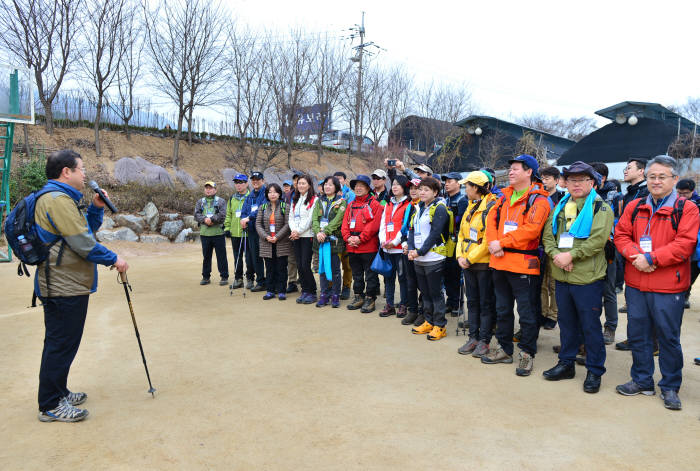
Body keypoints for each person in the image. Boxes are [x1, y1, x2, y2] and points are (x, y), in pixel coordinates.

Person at [34, 149, 129, 422]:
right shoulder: (57, 200)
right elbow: (84, 244)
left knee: (64, 342)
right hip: (62, 285)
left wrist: (97, 208)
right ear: (67, 172)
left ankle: (59, 391)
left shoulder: (62, 199)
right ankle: (50, 403)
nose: (85, 174)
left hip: (68, 283)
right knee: (60, 343)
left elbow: (84, 231)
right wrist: (114, 259)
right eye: (81, 169)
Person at [614, 155, 699, 410]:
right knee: (638, 334)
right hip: (637, 283)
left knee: (668, 338)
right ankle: (641, 380)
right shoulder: (635, 206)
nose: (656, 181)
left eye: (662, 176)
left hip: (668, 286)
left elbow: (685, 245)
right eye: (652, 176)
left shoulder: (687, 209)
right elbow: (620, 235)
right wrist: (636, 257)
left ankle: (670, 386)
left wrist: (651, 258)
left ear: (674, 179)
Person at [541, 162, 614, 393]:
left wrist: (571, 255)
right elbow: (548, 235)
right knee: (567, 323)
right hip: (562, 274)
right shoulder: (561, 206)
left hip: (587, 279)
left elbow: (597, 241)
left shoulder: (600, 208)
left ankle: (594, 370)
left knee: (590, 326)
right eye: (571, 180)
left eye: (581, 180)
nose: (576, 184)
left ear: (592, 183)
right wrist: (556, 256)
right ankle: (566, 363)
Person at [481, 155, 551, 376]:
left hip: (523, 264)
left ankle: (527, 354)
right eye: (509, 169)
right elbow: (490, 221)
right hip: (499, 261)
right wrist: (494, 244)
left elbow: (531, 230)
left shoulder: (539, 200)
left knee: (527, 313)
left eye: (515, 169)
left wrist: (500, 242)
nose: (510, 172)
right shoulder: (503, 197)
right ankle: (504, 349)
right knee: (502, 310)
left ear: (529, 172)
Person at [456, 171, 498, 357]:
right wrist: (460, 256)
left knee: (486, 303)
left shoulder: (491, 207)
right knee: (472, 302)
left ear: (476, 188)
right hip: (467, 263)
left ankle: (484, 340)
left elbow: (489, 239)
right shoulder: (470, 206)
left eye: (467, 186)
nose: (465, 188)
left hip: (482, 264)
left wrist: (469, 258)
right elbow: (461, 235)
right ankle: (473, 337)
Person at [408, 177, 451, 341]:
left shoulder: (439, 208)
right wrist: (412, 249)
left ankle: (440, 325)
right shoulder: (418, 207)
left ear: (435, 192)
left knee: (435, 293)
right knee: (425, 292)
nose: (422, 192)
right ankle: (428, 320)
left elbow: (435, 234)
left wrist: (419, 251)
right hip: (418, 258)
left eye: (427, 190)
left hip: (433, 257)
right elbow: (412, 229)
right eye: (421, 189)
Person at [616, 158, 650, 346]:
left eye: (629, 168)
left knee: (647, 301)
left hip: (645, 253)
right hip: (630, 250)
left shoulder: (645, 193)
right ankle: (636, 338)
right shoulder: (630, 193)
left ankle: (649, 342)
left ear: (641, 171)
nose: (625, 171)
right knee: (634, 298)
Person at [341, 175, 383, 313]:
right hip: (352, 246)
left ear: (367, 188)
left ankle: (370, 297)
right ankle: (358, 296)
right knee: (357, 273)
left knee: (370, 274)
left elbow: (374, 225)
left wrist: (360, 238)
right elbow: (344, 225)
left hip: (367, 246)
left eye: (361, 186)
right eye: (356, 186)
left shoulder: (374, 204)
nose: (358, 188)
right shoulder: (351, 205)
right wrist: (348, 238)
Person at [589, 162, 619, 345]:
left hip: (607, 250)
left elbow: (619, 222)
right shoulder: (582, 196)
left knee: (608, 290)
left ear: (603, 179)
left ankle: (610, 327)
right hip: (587, 252)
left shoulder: (614, 197)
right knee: (590, 292)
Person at [378, 175, 411, 317]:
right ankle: (390, 305)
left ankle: (403, 304)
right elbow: (383, 224)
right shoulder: (388, 204)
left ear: (405, 188)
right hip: (387, 247)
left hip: (399, 248)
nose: (395, 187)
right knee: (388, 278)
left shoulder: (408, 205)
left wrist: (395, 242)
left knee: (402, 278)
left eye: (398, 184)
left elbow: (404, 227)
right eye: (394, 184)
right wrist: (383, 240)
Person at [312, 176, 347, 308]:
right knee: (321, 268)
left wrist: (325, 232)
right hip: (320, 240)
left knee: (335, 269)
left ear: (336, 187)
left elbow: (338, 220)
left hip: (333, 241)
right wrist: (318, 232)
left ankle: (335, 295)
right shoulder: (319, 201)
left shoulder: (341, 202)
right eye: (325, 184)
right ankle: (324, 294)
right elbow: (314, 219)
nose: (327, 187)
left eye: (331, 185)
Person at [255, 183, 292, 300]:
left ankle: (281, 290)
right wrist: (266, 237)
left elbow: (287, 224)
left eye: (275, 192)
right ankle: (270, 290)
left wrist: (277, 236)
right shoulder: (263, 207)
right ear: (267, 194)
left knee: (281, 267)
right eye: (270, 192)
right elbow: (258, 224)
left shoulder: (285, 206)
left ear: (279, 193)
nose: (272, 194)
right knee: (269, 267)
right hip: (266, 242)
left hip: (282, 242)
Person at [538, 166, 564, 330]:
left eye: (548, 178)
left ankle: (554, 315)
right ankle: (542, 312)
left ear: (556, 180)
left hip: (557, 246)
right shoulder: (538, 197)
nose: (545, 181)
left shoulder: (562, 198)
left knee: (554, 283)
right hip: (540, 245)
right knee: (541, 283)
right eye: (543, 178)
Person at [442, 172, 469, 317]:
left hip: (457, 241)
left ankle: (458, 304)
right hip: (445, 241)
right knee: (446, 273)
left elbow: (462, 223)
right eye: (445, 181)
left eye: (450, 181)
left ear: (459, 183)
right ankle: (450, 301)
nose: (446, 183)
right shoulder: (445, 199)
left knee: (456, 274)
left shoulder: (462, 200)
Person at [289, 174, 318, 304]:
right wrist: (294, 231)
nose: (301, 186)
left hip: (307, 236)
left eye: (303, 183)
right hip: (296, 236)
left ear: (309, 185)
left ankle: (312, 291)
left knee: (306, 264)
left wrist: (298, 231)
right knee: (299, 265)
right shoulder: (295, 199)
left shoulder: (314, 200)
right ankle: (305, 290)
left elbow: (310, 219)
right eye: (299, 183)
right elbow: (291, 217)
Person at [194, 181, 229, 286]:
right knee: (206, 256)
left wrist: (212, 219)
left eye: (211, 188)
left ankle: (224, 276)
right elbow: (196, 214)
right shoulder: (200, 201)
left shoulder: (221, 201)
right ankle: (205, 276)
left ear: (215, 190)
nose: (208, 190)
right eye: (206, 188)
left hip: (218, 233)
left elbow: (223, 214)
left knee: (221, 256)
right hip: (205, 234)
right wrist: (205, 219)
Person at [401, 178, 423, 326]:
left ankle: (423, 312)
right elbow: (405, 228)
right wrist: (404, 243)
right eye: (411, 188)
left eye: (417, 187)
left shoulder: (425, 206)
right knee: (410, 282)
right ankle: (413, 310)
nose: (413, 190)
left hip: (422, 250)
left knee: (423, 284)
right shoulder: (409, 206)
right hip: (408, 248)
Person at [240, 171, 267, 292]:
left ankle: (272, 281)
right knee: (255, 257)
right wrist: (243, 219)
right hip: (251, 231)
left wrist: (249, 218)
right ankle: (260, 281)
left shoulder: (266, 193)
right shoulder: (250, 196)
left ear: (263, 180)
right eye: (253, 179)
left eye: (258, 179)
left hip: (264, 230)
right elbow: (244, 211)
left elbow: (262, 209)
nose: (255, 181)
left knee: (268, 256)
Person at [224, 174, 252, 289]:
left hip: (247, 232)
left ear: (246, 183)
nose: (238, 185)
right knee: (237, 257)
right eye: (236, 182)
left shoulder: (251, 197)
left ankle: (250, 279)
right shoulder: (232, 198)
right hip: (235, 233)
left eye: (241, 182)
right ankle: (238, 278)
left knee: (249, 257)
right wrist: (227, 228)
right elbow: (228, 215)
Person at [676, 179, 700, 308]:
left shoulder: (698, 203)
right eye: (679, 193)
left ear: (692, 191)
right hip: (682, 242)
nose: (681, 196)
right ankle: (683, 294)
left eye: (685, 193)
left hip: (696, 243)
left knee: (693, 270)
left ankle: (685, 294)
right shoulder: (675, 202)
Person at [334, 171, 354, 299]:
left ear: (345, 180)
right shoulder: (330, 194)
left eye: (340, 179)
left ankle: (346, 286)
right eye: (335, 179)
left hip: (346, 233)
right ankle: (332, 287)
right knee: (334, 262)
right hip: (333, 234)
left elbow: (349, 211)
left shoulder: (350, 194)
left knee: (347, 264)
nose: (337, 181)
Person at [286, 173, 301, 293]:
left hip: (305, 233)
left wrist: (299, 230)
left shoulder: (311, 196)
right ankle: (292, 281)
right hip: (290, 231)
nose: (296, 182)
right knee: (291, 258)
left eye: (299, 180)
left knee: (303, 259)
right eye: (295, 180)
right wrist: (292, 229)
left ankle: (303, 279)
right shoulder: (288, 195)